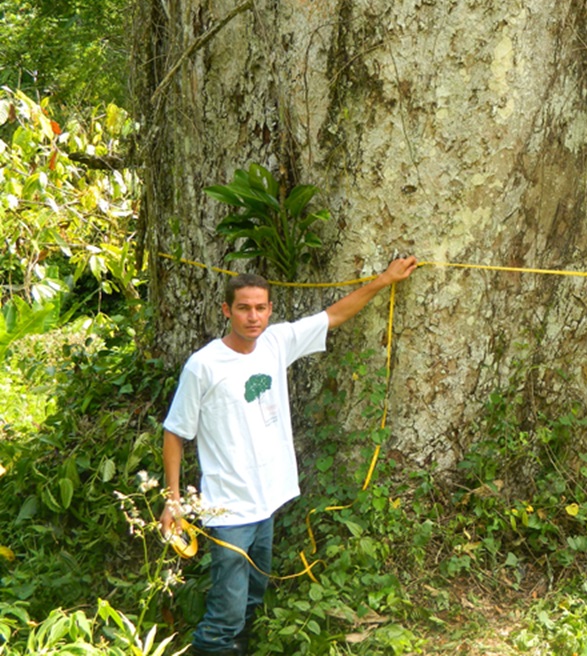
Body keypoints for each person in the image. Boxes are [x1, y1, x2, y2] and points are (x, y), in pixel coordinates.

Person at [159, 256, 418, 656]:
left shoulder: (277, 343)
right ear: (227, 310)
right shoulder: (204, 366)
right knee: (225, 615)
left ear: (270, 310)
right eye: (243, 307)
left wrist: (385, 280)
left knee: (250, 603)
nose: (253, 316)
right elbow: (175, 433)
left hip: (268, 500)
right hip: (228, 509)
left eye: (261, 307)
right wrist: (173, 502)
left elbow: (333, 315)